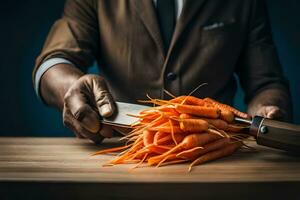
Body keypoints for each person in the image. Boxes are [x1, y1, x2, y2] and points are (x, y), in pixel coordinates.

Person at [33, 0, 292, 155]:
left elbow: (266, 83)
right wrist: (70, 87)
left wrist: (267, 112)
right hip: (122, 152)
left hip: (215, 154)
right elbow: (55, 60)